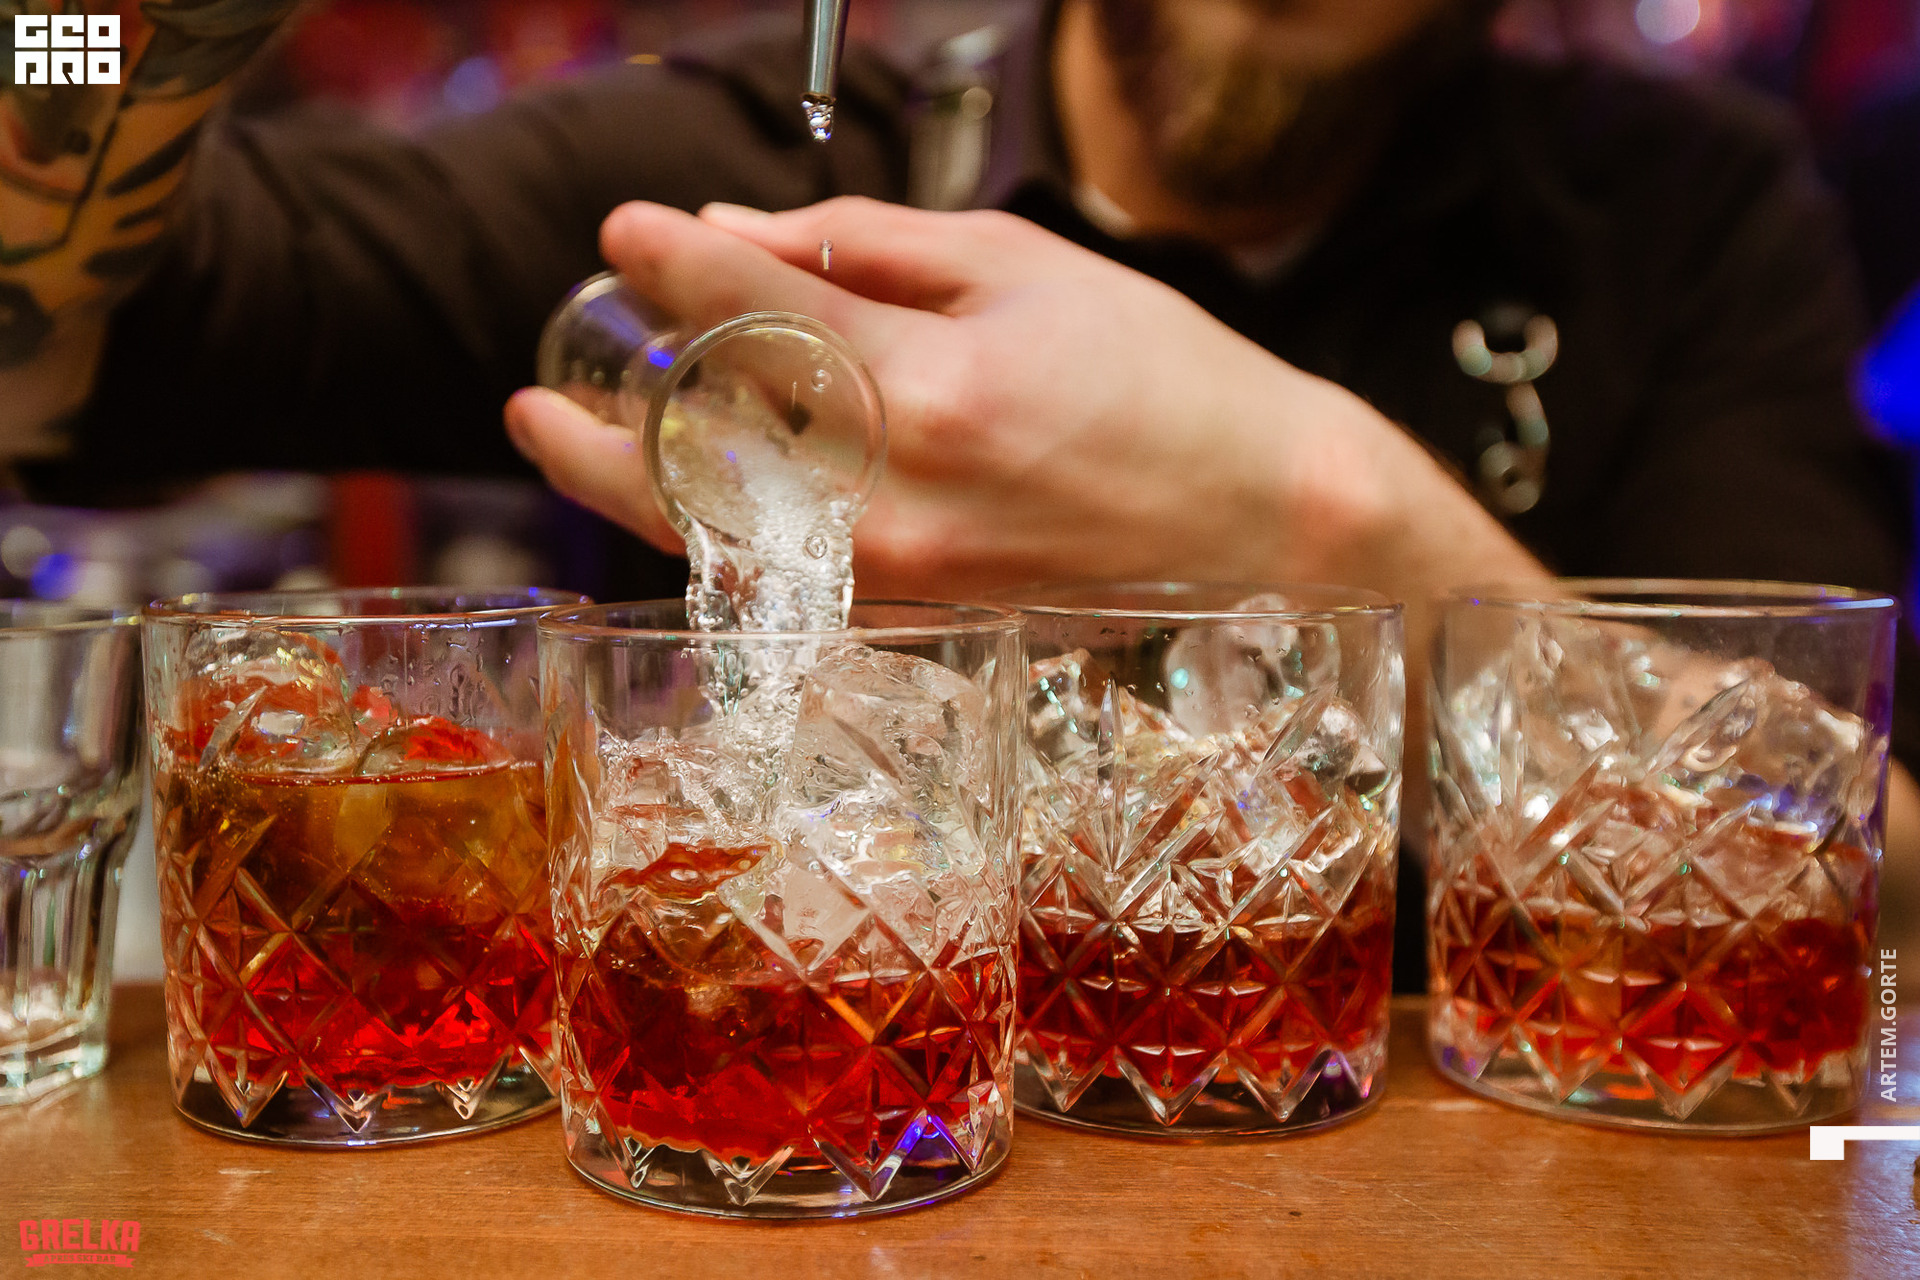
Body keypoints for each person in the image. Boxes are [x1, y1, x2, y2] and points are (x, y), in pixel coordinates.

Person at [3, 0, 1916, 974]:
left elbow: (1873, 872)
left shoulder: (1689, 211)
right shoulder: (782, 156)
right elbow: (71, 343)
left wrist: (1322, 518)